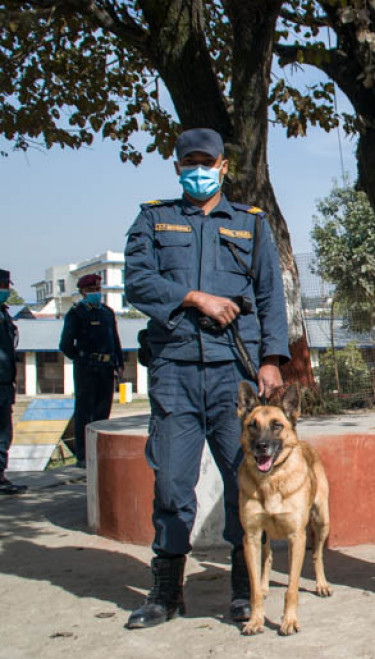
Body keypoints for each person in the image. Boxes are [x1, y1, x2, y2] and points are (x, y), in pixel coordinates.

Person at [123, 128, 289, 629]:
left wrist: (271, 360)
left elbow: (269, 295)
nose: (198, 169)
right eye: (189, 162)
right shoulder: (154, 219)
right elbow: (137, 282)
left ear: (222, 166)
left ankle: (245, 591)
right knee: (172, 483)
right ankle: (166, 592)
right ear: (178, 168)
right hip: (174, 369)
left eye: (207, 161)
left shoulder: (250, 224)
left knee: (247, 481)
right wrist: (195, 298)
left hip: (234, 376)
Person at [59, 273, 123, 467]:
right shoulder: (77, 313)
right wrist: (81, 359)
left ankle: (100, 451)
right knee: (84, 412)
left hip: (106, 367)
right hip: (87, 368)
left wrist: (119, 363)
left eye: (98, 289)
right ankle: (83, 455)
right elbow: (65, 344)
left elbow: (115, 340)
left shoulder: (107, 312)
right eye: (91, 290)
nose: (96, 293)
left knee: (103, 411)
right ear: (83, 292)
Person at [0, 269, 27, 496]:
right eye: (3, 286)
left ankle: (0, 475)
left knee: (4, 432)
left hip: (5, 383)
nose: (5, 290)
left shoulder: (5, 314)